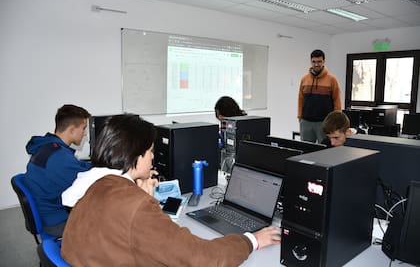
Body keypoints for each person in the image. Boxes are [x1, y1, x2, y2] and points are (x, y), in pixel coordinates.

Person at [61, 114, 281, 266]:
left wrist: (140, 197)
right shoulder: (134, 205)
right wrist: (252, 240)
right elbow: (205, 259)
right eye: (150, 151)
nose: (154, 157)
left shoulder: (94, 185)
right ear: (135, 157)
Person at [23, 104, 92, 237]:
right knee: (107, 218)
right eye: (83, 129)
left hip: (46, 210)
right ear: (72, 130)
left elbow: (75, 168)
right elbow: (86, 184)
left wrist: (94, 166)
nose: (85, 134)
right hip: (56, 221)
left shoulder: (47, 147)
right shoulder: (59, 158)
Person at [298, 49, 342, 143]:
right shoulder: (304, 79)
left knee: (324, 151)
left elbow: (337, 100)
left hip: (325, 122)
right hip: (306, 122)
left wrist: (336, 120)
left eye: (319, 62)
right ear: (311, 62)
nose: (316, 64)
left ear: (324, 61)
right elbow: (300, 99)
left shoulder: (332, 79)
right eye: (314, 62)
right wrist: (299, 117)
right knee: (306, 151)